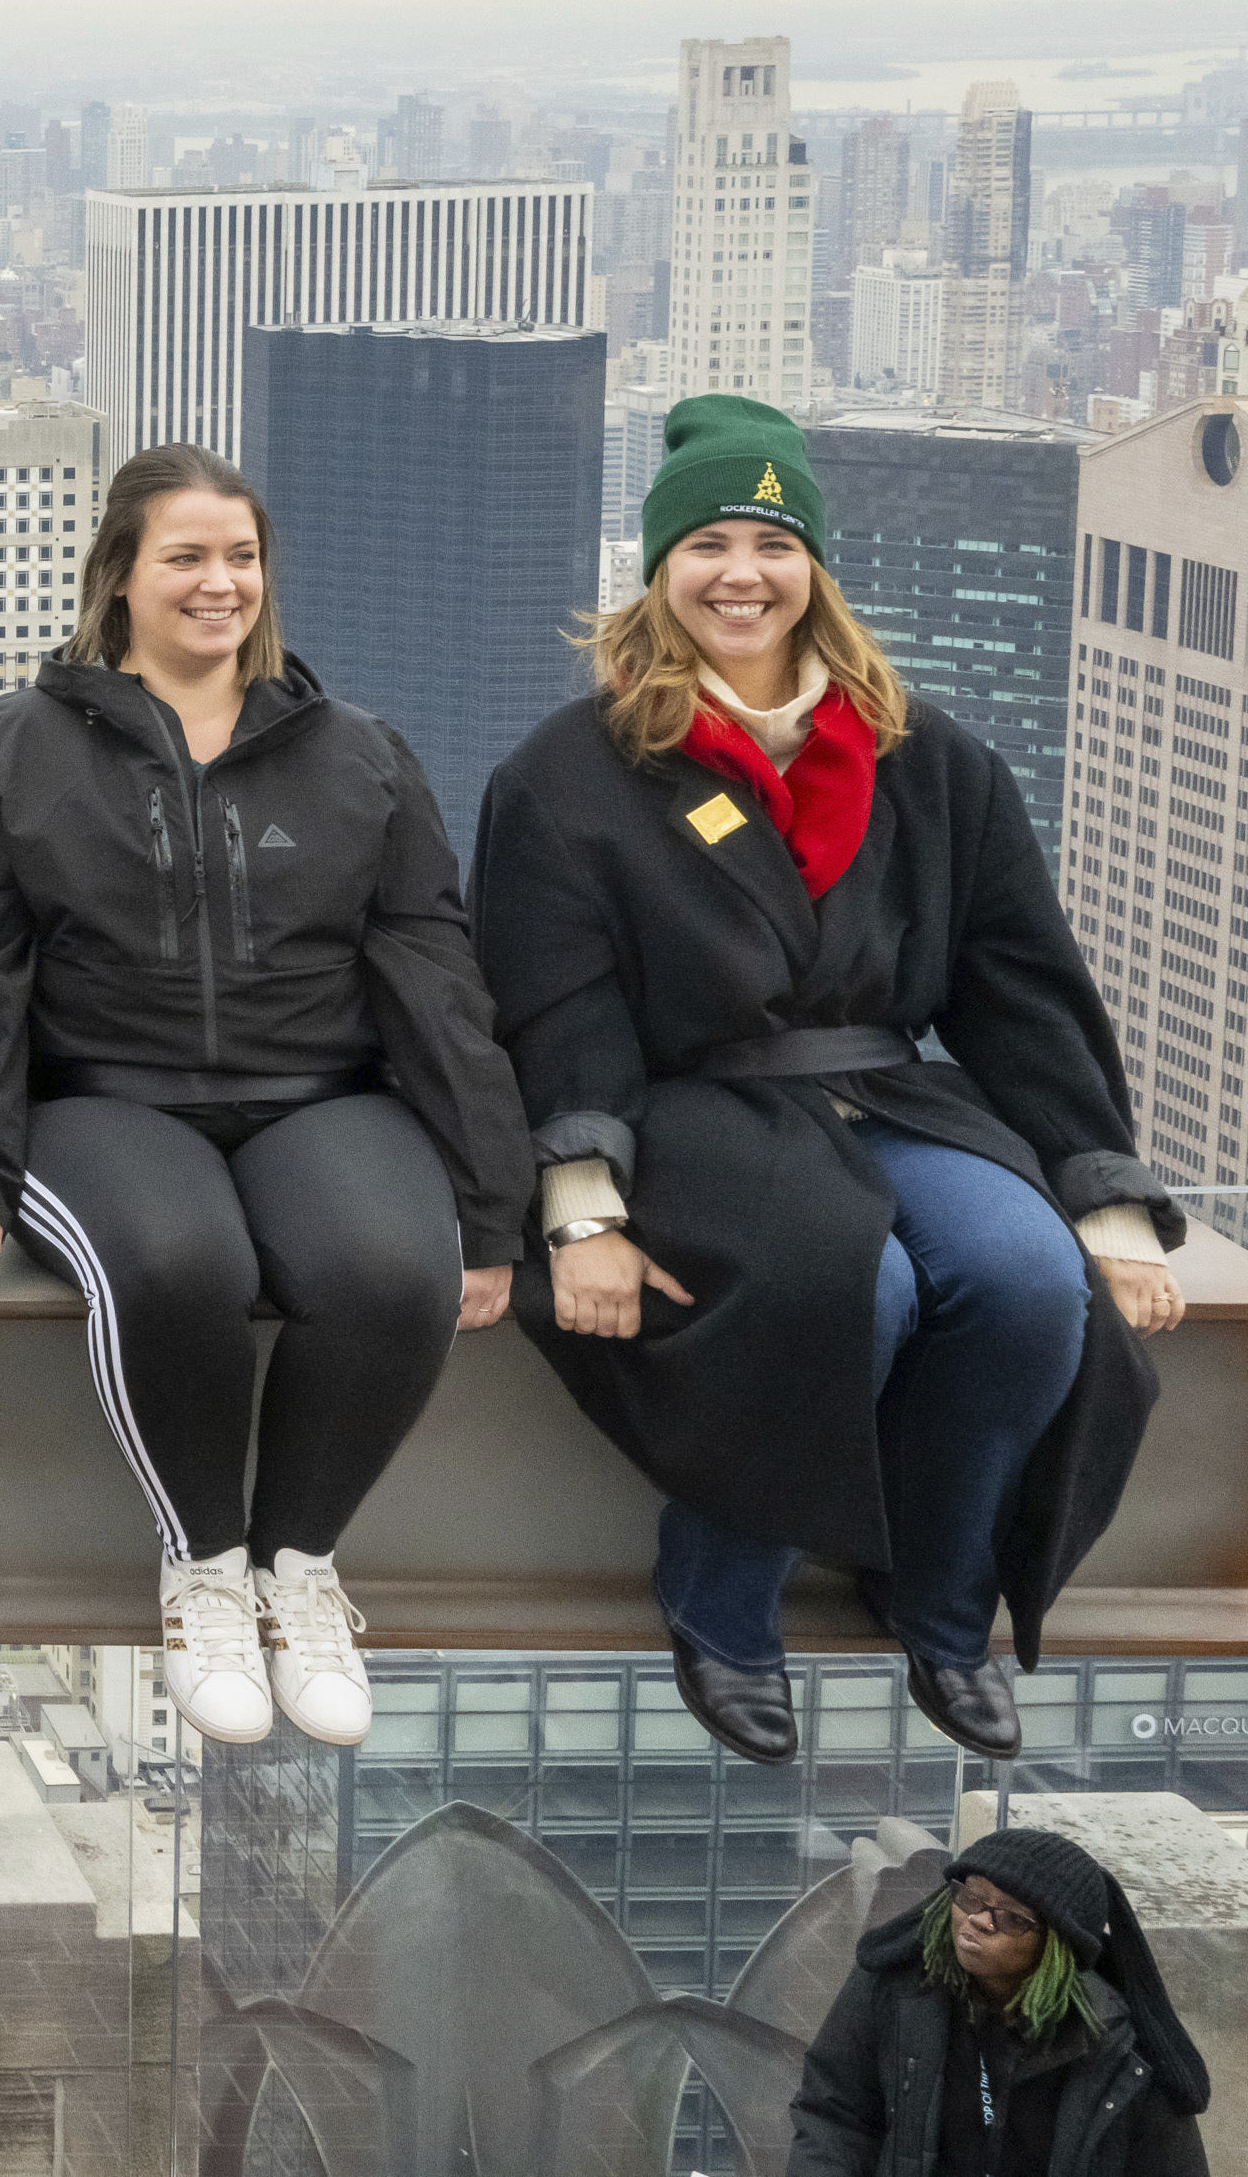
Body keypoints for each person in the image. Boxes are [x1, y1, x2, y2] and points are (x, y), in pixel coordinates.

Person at [477, 396, 1184, 1766]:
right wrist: (581, 1207)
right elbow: (555, 1009)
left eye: (772, 543)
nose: (741, 574)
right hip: (694, 1103)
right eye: (708, 545)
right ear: (659, 567)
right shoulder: (570, 775)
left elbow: (1018, 985)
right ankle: (722, 1604)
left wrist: (1101, 1202)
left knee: (1027, 1283)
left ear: (818, 569)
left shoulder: (932, 759)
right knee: (850, 1284)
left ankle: (938, 1594)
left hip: (890, 1091)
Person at [0, 448, 525, 1751]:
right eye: (186, 557)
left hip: (320, 1092)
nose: (220, 583)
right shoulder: (19, 751)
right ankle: (203, 1563)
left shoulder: (357, 756)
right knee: (173, 1258)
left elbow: (435, 984)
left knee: (386, 1264)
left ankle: (298, 1571)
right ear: (121, 579)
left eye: (241, 557)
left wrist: (488, 1210)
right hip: (106, 1096)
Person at [791, 1828, 1210, 2172]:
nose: (977, 1919)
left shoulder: (1120, 2051)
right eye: (971, 1896)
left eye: (1011, 1917)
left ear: (1056, 1948)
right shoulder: (897, 1987)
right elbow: (834, 2117)